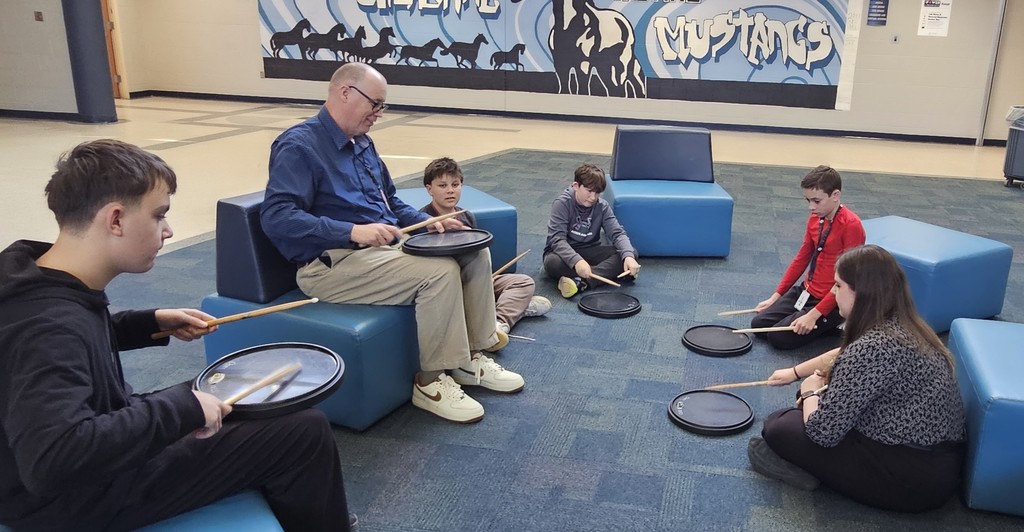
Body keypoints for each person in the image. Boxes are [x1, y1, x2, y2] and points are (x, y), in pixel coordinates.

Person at [0, 139, 353, 531]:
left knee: (239, 391)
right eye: (158, 216)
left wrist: (146, 322)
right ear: (115, 220)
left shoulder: (34, 277)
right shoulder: (48, 326)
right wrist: (181, 408)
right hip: (73, 500)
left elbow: (72, 344)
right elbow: (52, 460)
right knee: (304, 433)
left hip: (88, 444)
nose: (168, 231)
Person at [260, 63, 523, 425]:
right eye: (376, 104)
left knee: (473, 251)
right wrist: (352, 231)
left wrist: (430, 222)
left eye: (383, 106)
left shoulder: (363, 144)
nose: (378, 114)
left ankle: (470, 357)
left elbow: (391, 203)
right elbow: (277, 217)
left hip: (381, 253)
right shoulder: (298, 145)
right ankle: (430, 383)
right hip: (332, 265)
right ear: (346, 93)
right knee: (440, 272)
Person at [748, 244, 966, 512]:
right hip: (936, 464)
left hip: (910, 479)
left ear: (860, 292)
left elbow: (822, 432)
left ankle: (805, 471)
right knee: (808, 411)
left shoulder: (873, 347)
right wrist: (795, 373)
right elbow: (843, 352)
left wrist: (809, 392)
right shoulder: (903, 324)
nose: (832, 292)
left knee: (779, 425)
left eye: (838, 286)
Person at [420, 157, 551, 334]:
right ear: (429, 189)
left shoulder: (467, 216)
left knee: (524, 282)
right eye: (442, 186)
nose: (450, 191)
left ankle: (499, 322)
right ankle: (510, 311)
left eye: (455, 184)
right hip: (448, 285)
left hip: (475, 279)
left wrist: (484, 279)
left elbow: (476, 255)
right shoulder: (424, 220)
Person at [750, 165, 865, 350]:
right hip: (806, 291)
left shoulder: (852, 225)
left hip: (832, 300)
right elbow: (801, 259)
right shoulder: (815, 218)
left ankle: (829, 324)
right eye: (808, 200)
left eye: (816, 201)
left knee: (777, 338)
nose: (811, 207)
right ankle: (817, 324)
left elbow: (849, 280)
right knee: (758, 325)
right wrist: (776, 296)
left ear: (835, 195)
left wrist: (814, 315)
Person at [542, 163, 640, 298]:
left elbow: (617, 234)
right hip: (563, 253)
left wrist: (628, 256)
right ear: (576, 186)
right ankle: (604, 273)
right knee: (552, 263)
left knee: (630, 252)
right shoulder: (562, 203)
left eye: (598, 192)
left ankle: (582, 281)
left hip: (590, 250)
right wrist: (577, 261)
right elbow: (557, 240)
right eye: (589, 191)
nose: (593, 197)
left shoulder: (602, 206)